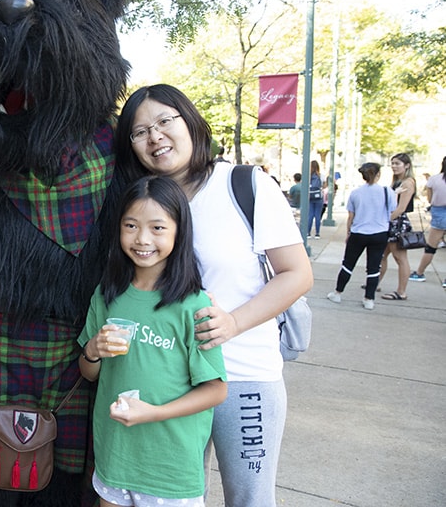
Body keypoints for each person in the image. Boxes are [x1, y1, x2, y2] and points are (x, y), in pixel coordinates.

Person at [115, 84, 313, 507]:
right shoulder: (140, 203)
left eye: (165, 121)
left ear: (190, 121)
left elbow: (296, 274)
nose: (155, 137)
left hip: (243, 376)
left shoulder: (245, 185)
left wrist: (234, 322)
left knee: (250, 500)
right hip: (168, 383)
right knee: (176, 499)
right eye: (140, 131)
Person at [77, 176, 227, 505]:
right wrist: (92, 351)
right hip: (115, 459)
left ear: (179, 231)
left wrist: (153, 412)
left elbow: (216, 389)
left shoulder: (194, 305)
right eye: (131, 226)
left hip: (170, 469)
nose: (142, 239)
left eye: (157, 228)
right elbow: (89, 373)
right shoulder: (108, 295)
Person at [325, 163, 396, 311]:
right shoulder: (386, 191)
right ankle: (369, 299)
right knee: (374, 267)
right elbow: (391, 211)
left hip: (358, 232)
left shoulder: (356, 193)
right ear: (378, 175)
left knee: (348, 264)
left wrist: (348, 233)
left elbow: (351, 216)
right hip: (379, 233)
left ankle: (337, 292)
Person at [379, 153, 417, 301]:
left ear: (407, 165)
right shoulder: (397, 181)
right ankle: (375, 282)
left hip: (397, 223)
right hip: (392, 222)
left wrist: (385, 220)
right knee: (382, 255)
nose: (394, 166)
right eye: (392, 163)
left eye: (397, 163)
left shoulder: (407, 183)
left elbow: (401, 208)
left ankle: (401, 291)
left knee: (400, 258)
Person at [409, 156, 446, 288]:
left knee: (431, 247)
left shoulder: (434, 179)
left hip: (439, 212)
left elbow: (430, 199)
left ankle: (419, 273)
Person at [307, 160, 324, 238]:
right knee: (317, 216)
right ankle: (317, 233)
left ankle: (308, 233)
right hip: (318, 197)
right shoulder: (320, 175)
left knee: (310, 215)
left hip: (310, 197)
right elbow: (323, 185)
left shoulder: (308, 176)